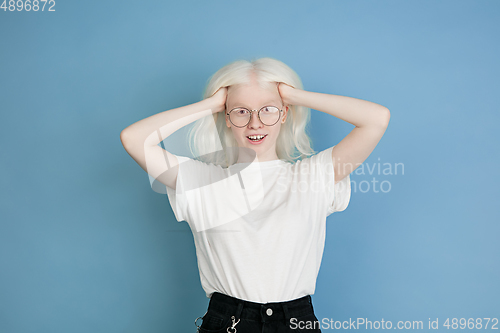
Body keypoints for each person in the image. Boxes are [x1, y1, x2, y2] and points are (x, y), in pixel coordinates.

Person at [120, 57, 390, 333]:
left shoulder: (313, 175)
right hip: (228, 322)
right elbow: (134, 138)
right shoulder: (200, 180)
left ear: (285, 114)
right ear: (226, 118)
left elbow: (376, 119)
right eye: (241, 112)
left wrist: (294, 96)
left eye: (268, 110)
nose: (255, 123)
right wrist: (212, 104)